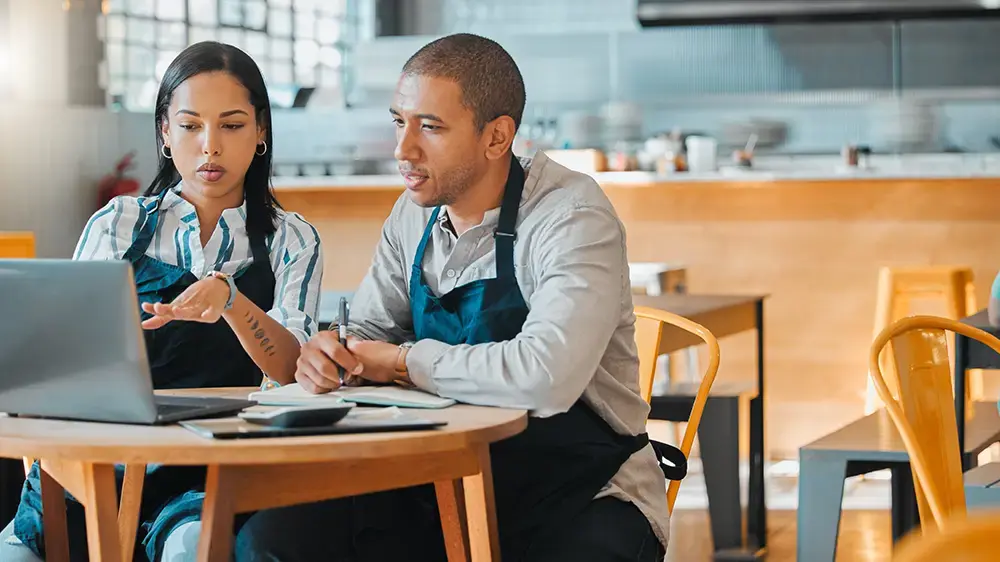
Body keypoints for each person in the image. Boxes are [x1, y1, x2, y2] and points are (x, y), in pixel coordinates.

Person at [240, 33, 672, 561]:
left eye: (431, 127)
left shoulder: (570, 216)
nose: (404, 150)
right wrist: (333, 351)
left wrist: (402, 362)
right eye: (400, 121)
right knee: (273, 539)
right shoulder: (413, 212)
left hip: (581, 495)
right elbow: (370, 331)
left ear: (497, 137)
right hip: (438, 478)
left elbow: (546, 377)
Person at [0, 41, 323, 562]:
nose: (210, 147)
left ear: (261, 131)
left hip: (204, 486)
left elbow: (289, 372)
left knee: (191, 548)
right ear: (165, 133)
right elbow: (56, 362)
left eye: (232, 125)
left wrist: (232, 301)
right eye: (191, 125)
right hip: (91, 473)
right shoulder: (118, 224)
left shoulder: (292, 240)